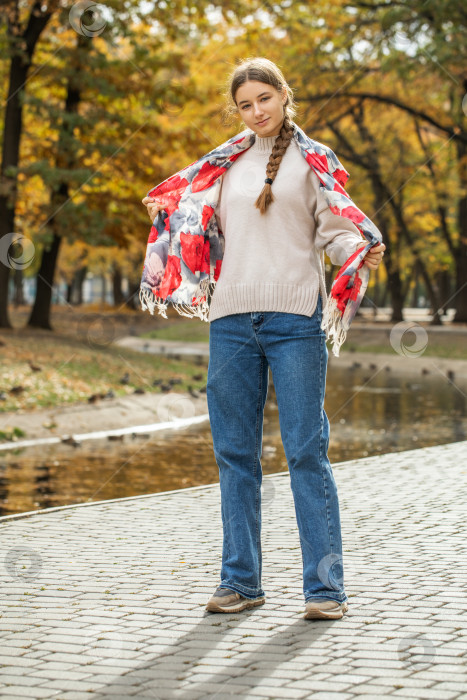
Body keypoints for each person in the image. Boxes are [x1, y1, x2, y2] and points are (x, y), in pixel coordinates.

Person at [142, 57, 385, 620]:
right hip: (230, 321)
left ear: (283, 95)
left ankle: (325, 591)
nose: (256, 112)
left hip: (295, 319)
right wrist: (170, 211)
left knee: (305, 451)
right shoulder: (220, 164)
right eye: (245, 104)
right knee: (234, 453)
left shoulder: (314, 160)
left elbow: (339, 232)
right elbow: (197, 225)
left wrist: (359, 253)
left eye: (264, 100)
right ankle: (241, 581)